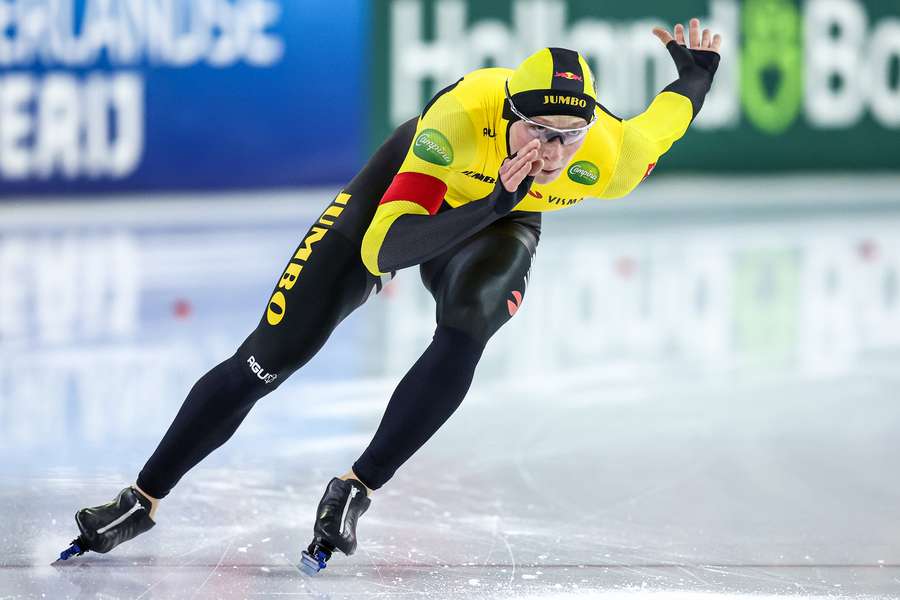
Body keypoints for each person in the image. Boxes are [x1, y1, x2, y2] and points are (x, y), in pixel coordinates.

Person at [59, 19, 723, 569]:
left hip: (503, 213)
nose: (552, 151)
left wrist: (696, 74)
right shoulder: (459, 119)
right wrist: (493, 196)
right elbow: (385, 250)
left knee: (469, 329)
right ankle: (139, 499)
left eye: (567, 135)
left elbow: (668, 115)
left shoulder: (608, 156)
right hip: (410, 200)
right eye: (538, 130)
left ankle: (356, 488)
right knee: (269, 358)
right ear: (507, 114)